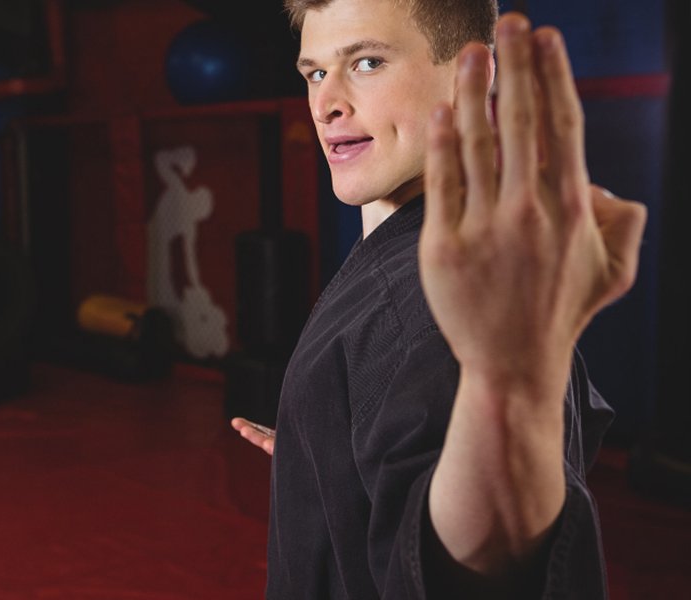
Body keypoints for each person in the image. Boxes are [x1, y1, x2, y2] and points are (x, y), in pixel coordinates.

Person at [230, 0, 647, 597]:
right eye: (316, 73)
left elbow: (481, 567)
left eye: (367, 63)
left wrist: (500, 396)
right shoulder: (412, 263)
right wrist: (329, 457)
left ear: (475, 74)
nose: (326, 105)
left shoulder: (431, 304)